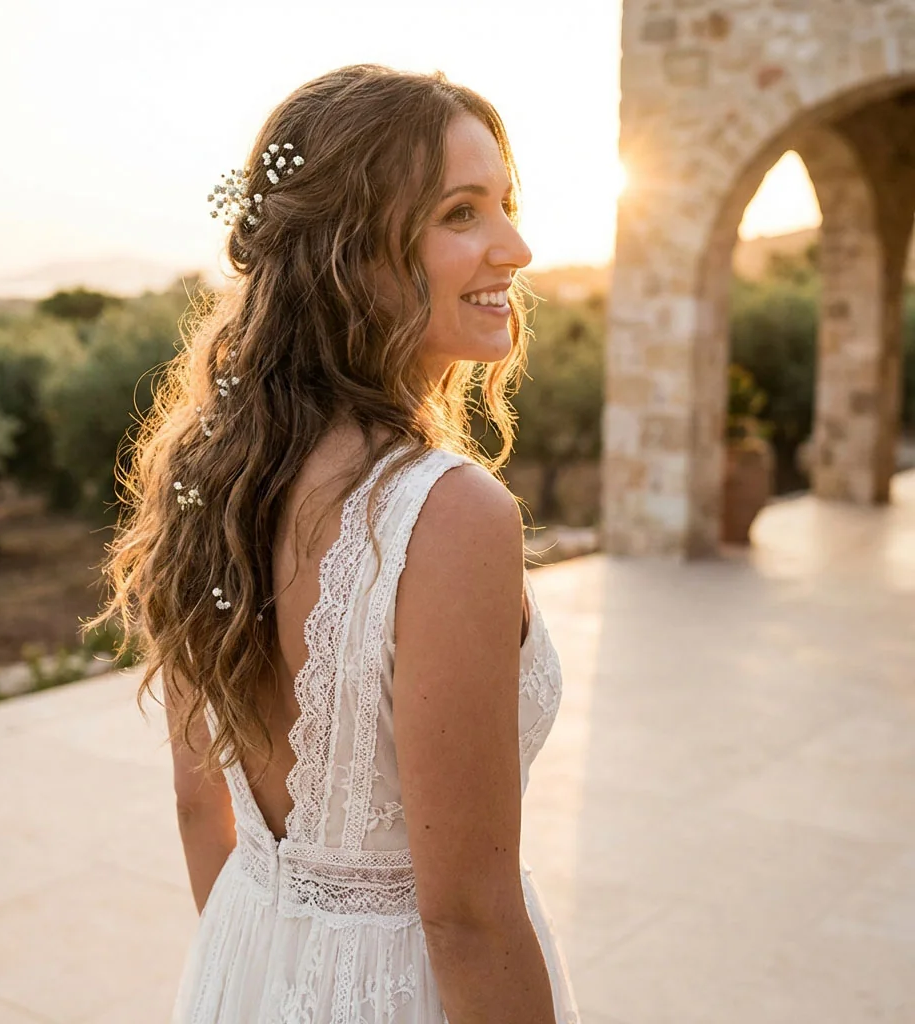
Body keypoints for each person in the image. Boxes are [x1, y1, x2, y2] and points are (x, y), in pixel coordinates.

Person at [87, 63, 581, 1024]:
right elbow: (468, 919)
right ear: (352, 255)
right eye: (461, 214)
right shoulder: (451, 517)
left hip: (247, 964)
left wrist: (273, 973)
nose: (515, 247)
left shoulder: (209, 477)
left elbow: (203, 811)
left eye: (505, 205)